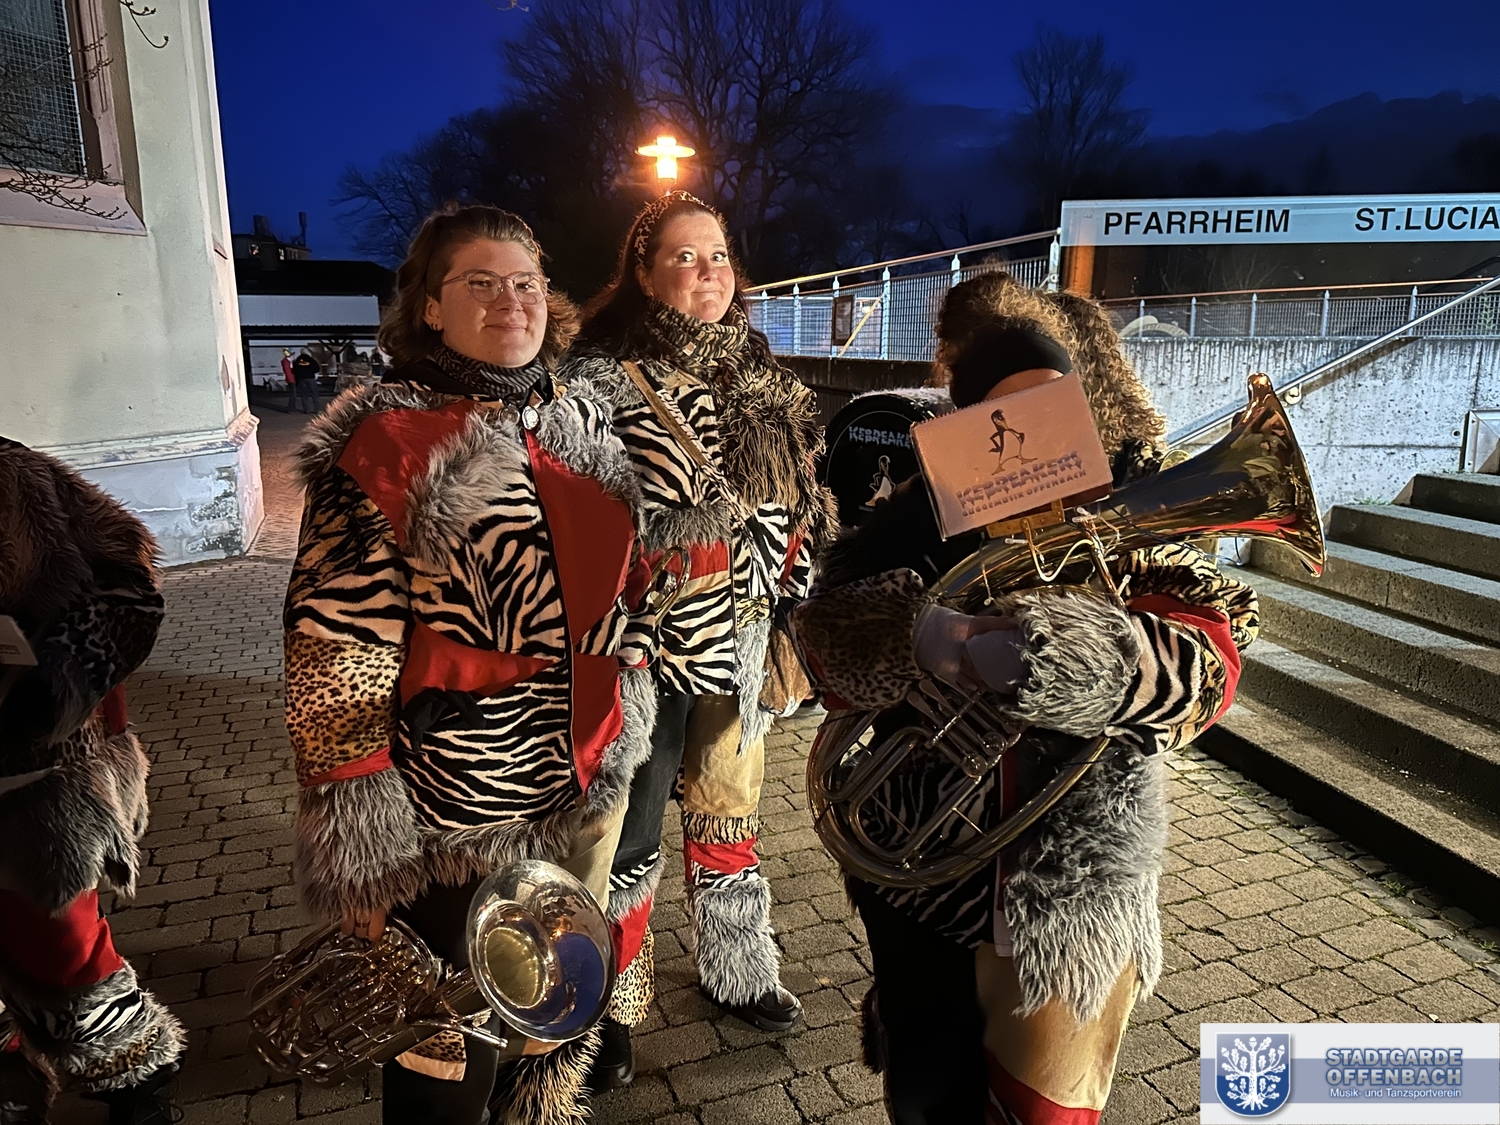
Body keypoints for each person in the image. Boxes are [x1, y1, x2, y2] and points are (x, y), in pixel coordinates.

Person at [790, 274, 1259, 1125]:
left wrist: (1069, 658)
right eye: (1003, 413)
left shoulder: (1129, 510)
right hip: (920, 878)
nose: (1031, 432)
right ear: (970, 424)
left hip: (1073, 887)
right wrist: (913, 635)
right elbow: (819, 649)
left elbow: (1210, 667)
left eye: (1051, 402)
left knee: (1041, 1110)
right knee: (924, 1093)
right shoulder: (917, 514)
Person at [283, 203, 661, 1125]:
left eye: (526, 282)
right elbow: (334, 652)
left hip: (586, 774)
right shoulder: (384, 442)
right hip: (453, 803)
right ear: (430, 306)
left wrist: (634, 658)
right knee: (445, 1049)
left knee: (549, 1018)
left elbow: (635, 578)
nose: (510, 301)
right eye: (480, 283)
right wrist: (366, 848)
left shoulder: (580, 421)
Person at [560, 192, 837, 1084]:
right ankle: (607, 1006)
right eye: (683, 257)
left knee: (729, 810)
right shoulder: (601, 381)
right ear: (644, 275)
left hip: (744, 639)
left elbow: (801, 504)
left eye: (716, 255)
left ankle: (737, 968)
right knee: (625, 834)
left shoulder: (767, 381)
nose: (707, 271)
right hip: (650, 650)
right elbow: (578, 517)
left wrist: (796, 585)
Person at [0, 437, 183, 1124]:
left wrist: (51, 683)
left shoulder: (13, 474)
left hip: (29, 778)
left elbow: (126, 588)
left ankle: (135, 1082)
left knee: (63, 951)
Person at [290, 349, 322, 413]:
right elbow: (317, 369)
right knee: (314, 394)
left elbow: (293, 371)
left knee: (304, 395)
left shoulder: (297, 360)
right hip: (310, 378)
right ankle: (317, 410)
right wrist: (310, 371)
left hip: (301, 380)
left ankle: (306, 410)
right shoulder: (311, 360)